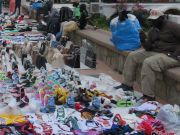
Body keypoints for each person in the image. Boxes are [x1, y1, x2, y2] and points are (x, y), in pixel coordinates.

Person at [114, 10, 180, 102]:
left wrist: (175, 54)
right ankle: (127, 85)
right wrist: (143, 39)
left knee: (149, 62)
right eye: (151, 20)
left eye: (155, 20)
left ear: (162, 18)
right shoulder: (154, 29)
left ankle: (148, 96)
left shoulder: (173, 26)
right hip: (157, 53)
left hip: (172, 56)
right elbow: (148, 48)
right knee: (132, 55)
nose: (153, 22)